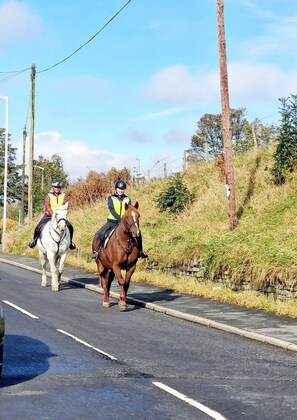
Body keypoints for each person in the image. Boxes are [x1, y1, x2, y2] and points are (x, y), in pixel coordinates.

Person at [91, 179, 148, 259]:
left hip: (125, 223)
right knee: (100, 233)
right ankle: (97, 251)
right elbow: (112, 209)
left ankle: (141, 252)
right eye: (119, 189)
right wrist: (119, 218)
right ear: (116, 189)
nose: (120, 191)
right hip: (112, 221)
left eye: (122, 189)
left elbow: (129, 210)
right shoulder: (111, 198)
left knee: (138, 233)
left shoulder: (127, 199)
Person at [28, 180, 76, 250]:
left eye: (58, 187)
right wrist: (52, 214)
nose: (57, 189)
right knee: (38, 226)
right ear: (53, 188)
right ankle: (34, 241)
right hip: (49, 216)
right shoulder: (48, 196)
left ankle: (70, 242)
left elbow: (66, 204)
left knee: (70, 227)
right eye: (56, 187)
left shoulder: (63, 195)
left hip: (60, 216)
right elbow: (47, 206)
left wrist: (64, 210)